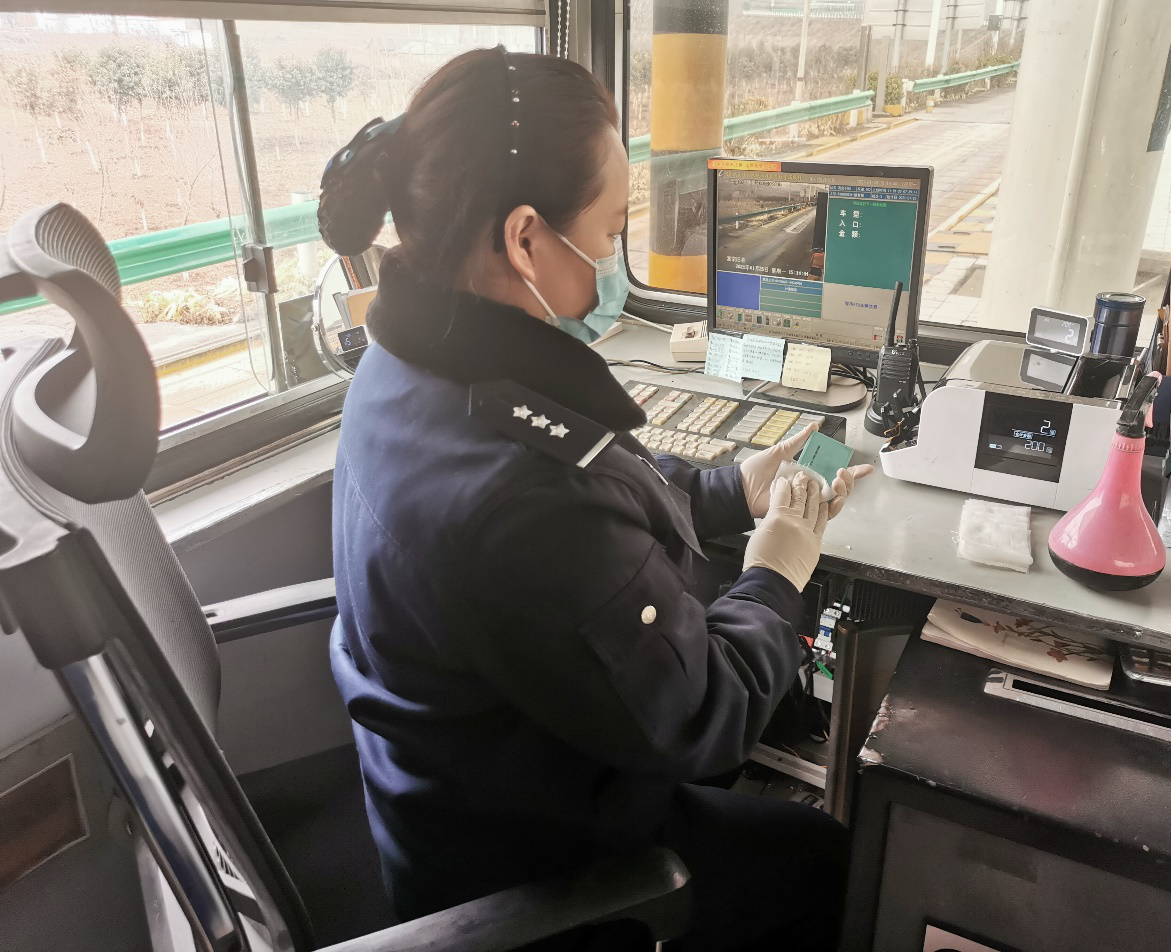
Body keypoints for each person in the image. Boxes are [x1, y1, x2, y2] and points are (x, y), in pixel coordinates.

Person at [319, 46, 873, 951]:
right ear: (524, 238)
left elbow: (597, 483)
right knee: (827, 859)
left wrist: (731, 490)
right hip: (534, 861)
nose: (615, 257)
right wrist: (777, 573)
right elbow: (704, 718)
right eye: (612, 231)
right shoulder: (522, 495)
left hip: (452, 787)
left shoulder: (413, 365)